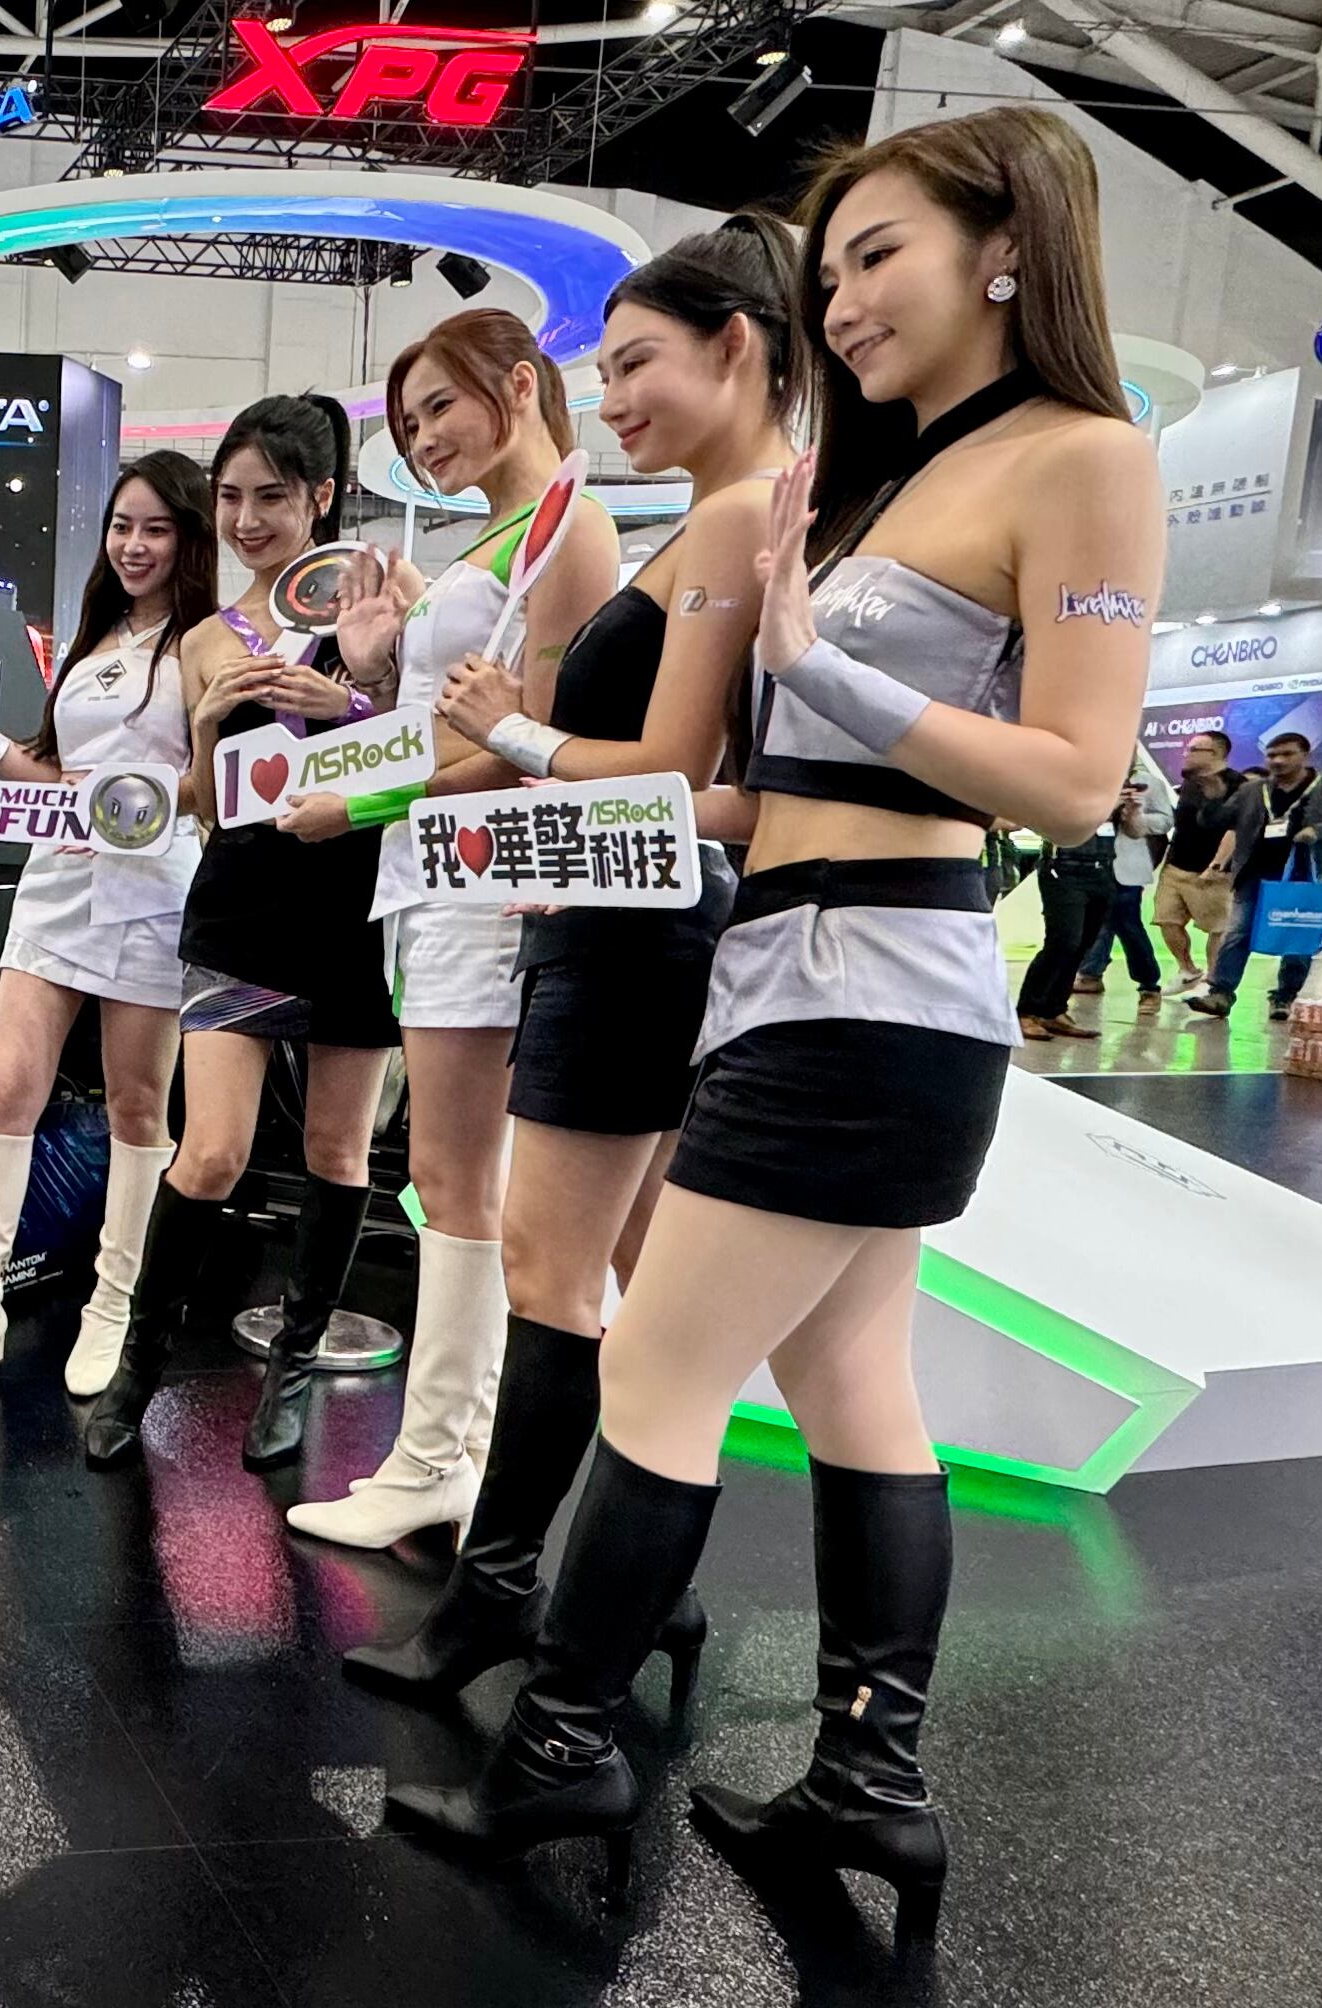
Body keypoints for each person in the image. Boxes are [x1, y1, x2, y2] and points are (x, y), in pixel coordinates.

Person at [389, 108, 1159, 1947]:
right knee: (847, 1384)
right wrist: (530, 788)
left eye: (877, 252)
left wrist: (821, 667)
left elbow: (1072, 780)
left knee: (658, 1371)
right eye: (829, 273)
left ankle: (562, 1743)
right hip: (791, 973)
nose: (845, 299)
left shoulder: (1087, 457)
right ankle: (868, 1783)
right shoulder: (883, 489)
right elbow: (758, 802)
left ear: (1003, 248)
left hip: (878, 999)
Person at [340, 218, 798, 1711]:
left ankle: (508, 1591)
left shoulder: (712, 521)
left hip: (625, 920)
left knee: (557, 1265)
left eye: (635, 364)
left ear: (740, 346)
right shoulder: (710, 521)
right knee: (619, 1277)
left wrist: (514, 738)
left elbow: (660, 762)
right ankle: (602, 1591)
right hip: (607, 907)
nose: (615, 398)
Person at [286, 311, 621, 1534]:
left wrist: (355, 795)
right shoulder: (500, 534)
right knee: (446, 1175)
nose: (420, 438)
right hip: (425, 871)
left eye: (437, 407)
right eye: (407, 419)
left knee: (454, 1178)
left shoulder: (566, 526)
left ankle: (436, 1463)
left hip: (483, 876)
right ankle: (444, 1459)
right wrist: (372, 678)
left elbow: (527, 736)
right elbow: (443, 716)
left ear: (516, 385)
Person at [79, 400, 408, 1468]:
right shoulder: (211, 635)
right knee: (211, 1149)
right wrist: (216, 721)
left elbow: (420, 759)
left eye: (270, 495)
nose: (247, 517)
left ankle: (296, 1362)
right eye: (229, 497)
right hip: (239, 902)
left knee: (334, 1149)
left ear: (321, 495)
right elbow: (207, 805)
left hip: (354, 904)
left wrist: (346, 697)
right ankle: (137, 1363)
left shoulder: (386, 599)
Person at [0, 453, 217, 1411]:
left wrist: (129, 805)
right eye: (121, 524)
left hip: (152, 888)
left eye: (155, 527)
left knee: (136, 1106)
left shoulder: (205, 642)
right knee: (7, 1089)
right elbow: (55, 774)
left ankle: (112, 1303)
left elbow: (211, 788)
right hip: (56, 882)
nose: (133, 544)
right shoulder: (93, 639)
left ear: (187, 538)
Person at [1188, 729, 1322, 1021]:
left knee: (1297, 940)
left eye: (1286, 754)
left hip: (1304, 877)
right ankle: (1220, 994)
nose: (1277, 760)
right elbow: (1214, 822)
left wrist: (1319, 831)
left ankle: (1285, 997)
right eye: (1272, 755)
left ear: (1305, 755)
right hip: (1254, 874)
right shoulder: (1254, 790)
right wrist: (1212, 798)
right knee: (1237, 934)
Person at [1069, 755, 1171, 1010]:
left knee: (1128, 925)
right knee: (1091, 924)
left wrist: (1135, 814)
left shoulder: (1147, 783)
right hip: (1085, 861)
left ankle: (1149, 985)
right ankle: (1090, 973)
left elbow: (1165, 821)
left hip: (1125, 866)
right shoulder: (1086, 780)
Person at [1152, 730, 1240, 988]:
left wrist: (1217, 864)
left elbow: (1234, 829)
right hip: (1176, 866)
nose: (1185, 754)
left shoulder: (1236, 783)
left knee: (1217, 927)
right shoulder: (1190, 782)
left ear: (1215, 753)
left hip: (1213, 871)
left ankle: (1214, 981)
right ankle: (1187, 969)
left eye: (1193, 749)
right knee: (1166, 920)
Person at [1017, 814, 1115, 1040]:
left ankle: (1054, 1009)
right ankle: (1027, 1011)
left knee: (1083, 944)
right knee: (1063, 940)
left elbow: (1135, 831)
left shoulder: (1111, 794)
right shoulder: (1072, 796)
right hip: (1062, 870)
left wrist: (1130, 811)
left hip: (1102, 869)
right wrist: (1099, 812)